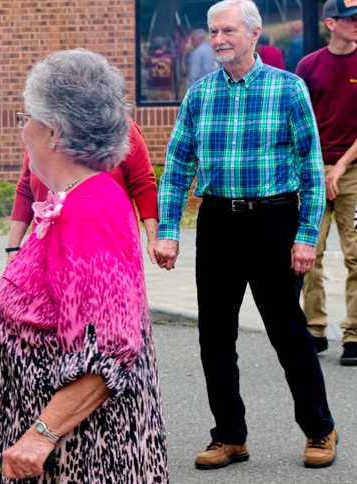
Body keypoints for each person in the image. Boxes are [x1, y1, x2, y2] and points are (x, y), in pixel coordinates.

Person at [0, 49, 168, 483]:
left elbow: (108, 353)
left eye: (27, 117)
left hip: (80, 457)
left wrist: (40, 435)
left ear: (54, 131)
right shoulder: (72, 201)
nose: (23, 129)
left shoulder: (89, 211)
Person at [155, 0, 337, 470]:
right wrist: (169, 230)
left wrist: (304, 236)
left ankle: (320, 429)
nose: (218, 39)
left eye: (228, 30)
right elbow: (176, 167)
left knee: (288, 333)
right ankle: (230, 436)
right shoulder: (198, 95)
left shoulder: (288, 90)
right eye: (213, 31)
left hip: (274, 221)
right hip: (218, 222)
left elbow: (311, 171)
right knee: (214, 337)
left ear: (254, 34)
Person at [7, 121, 158, 265]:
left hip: (107, 248)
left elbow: (142, 183)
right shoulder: (39, 130)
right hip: (47, 248)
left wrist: (154, 240)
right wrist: (13, 249)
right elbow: (25, 190)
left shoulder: (117, 125)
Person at [297, 0, 357, 366]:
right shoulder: (309, 66)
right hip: (313, 172)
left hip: (352, 172)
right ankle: (315, 330)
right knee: (308, 254)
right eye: (350, 19)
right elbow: (300, 122)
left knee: (356, 256)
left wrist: (338, 169)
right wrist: (318, 169)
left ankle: (354, 336)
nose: (356, 24)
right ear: (331, 23)